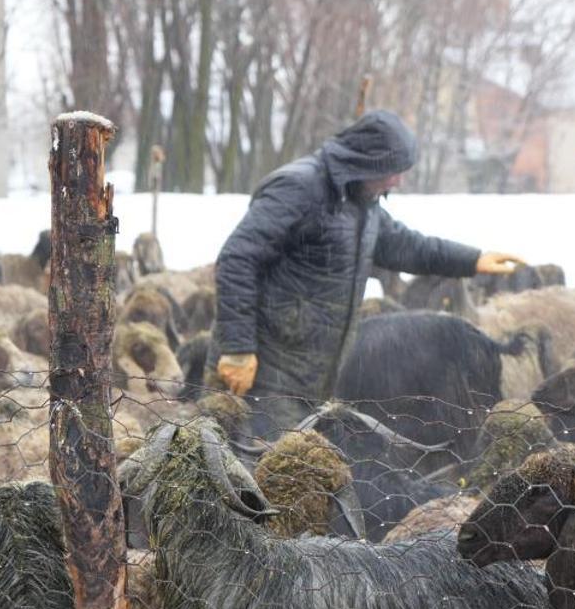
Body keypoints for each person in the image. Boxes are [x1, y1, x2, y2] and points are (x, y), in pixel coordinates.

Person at [208, 110, 523, 435]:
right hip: (264, 371)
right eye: (394, 170)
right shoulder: (299, 188)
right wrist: (237, 348)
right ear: (367, 161)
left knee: (294, 472)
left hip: (313, 374)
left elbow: (409, 246)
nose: (398, 180)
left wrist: (473, 260)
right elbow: (237, 259)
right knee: (263, 472)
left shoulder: (361, 203)